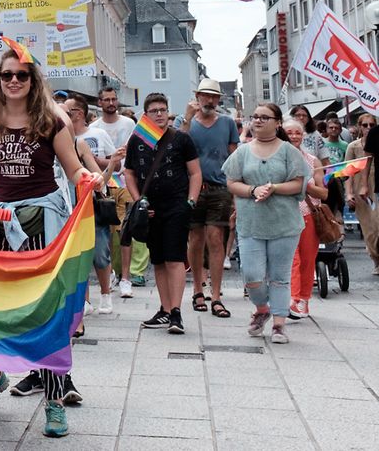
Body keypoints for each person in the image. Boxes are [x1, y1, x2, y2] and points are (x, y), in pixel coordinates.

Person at [0, 50, 103, 438]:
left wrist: (89, 179)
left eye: (21, 75)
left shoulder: (50, 121)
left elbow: (73, 168)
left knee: (46, 310)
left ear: (32, 80)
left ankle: (54, 400)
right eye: (6, 75)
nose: (13, 81)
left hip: (42, 223)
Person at [224, 102, 308, 345]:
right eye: (255, 116)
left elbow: (298, 184)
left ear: (277, 123)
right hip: (251, 222)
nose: (258, 121)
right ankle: (262, 308)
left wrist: (274, 188)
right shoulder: (242, 152)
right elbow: (231, 182)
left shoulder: (289, 151)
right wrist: (253, 190)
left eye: (264, 117)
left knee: (280, 276)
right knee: (252, 275)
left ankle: (279, 325)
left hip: (284, 223)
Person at [124, 93, 202, 336]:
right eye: (154, 110)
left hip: (177, 205)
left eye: (163, 110)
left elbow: (195, 172)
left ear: (168, 112)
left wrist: (191, 201)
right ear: (145, 114)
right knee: (158, 260)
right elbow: (129, 173)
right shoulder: (137, 140)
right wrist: (139, 201)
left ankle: (176, 312)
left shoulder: (181, 139)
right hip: (150, 207)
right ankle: (165, 309)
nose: (159, 114)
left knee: (174, 258)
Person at [184, 78, 239, 319]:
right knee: (195, 239)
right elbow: (177, 146)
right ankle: (198, 289)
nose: (209, 100)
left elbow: (234, 158)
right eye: (205, 95)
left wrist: (236, 194)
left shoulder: (227, 123)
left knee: (216, 239)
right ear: (197, 96)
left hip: (219, 187)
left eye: (214, 96)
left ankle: (216, 296)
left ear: (219, 99)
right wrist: (186, 119)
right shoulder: (186, 121)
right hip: (192, 188)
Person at [65, 97, 119, 315]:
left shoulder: (79, 144)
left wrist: (112, 164)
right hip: (63, 207)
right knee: (75, 256)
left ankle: (106, 294)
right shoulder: (46, 143)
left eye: (67, 114)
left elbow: (99, 177)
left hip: (87, 206)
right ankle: (84, 299)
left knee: (99, 253)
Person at [90, 87, 145, 297]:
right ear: (100, 102)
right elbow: (96, 160)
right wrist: (111, 161)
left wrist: (113, 162)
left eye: (114, 99)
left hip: (125, 182)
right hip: (104, 183)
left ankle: (126, 277)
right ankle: (111, 272)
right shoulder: (95, 128)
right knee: (108, 233)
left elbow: (131, 153)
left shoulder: (129, 123)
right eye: (107, 99)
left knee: (126, 230)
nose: (111, 103)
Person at [283, 118, 329, 320]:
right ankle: (293, 299)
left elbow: (323, 193)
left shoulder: (312, 161)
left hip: (308, 215)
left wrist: (305, 186)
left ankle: (303, 299)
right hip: (283, 216)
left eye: (298, 133)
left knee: (308, 259)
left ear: (303, 135)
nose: (294, 136)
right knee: (292, 259)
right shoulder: (276, 159)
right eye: (289, 132)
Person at [349, 116, 379, 275]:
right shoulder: (354, 146)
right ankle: (376, 258)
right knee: (372, 228)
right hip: (368, 190)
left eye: (371, 124)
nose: (368, 127)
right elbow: (349, 171)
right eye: (365, 125)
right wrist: (352, 191)